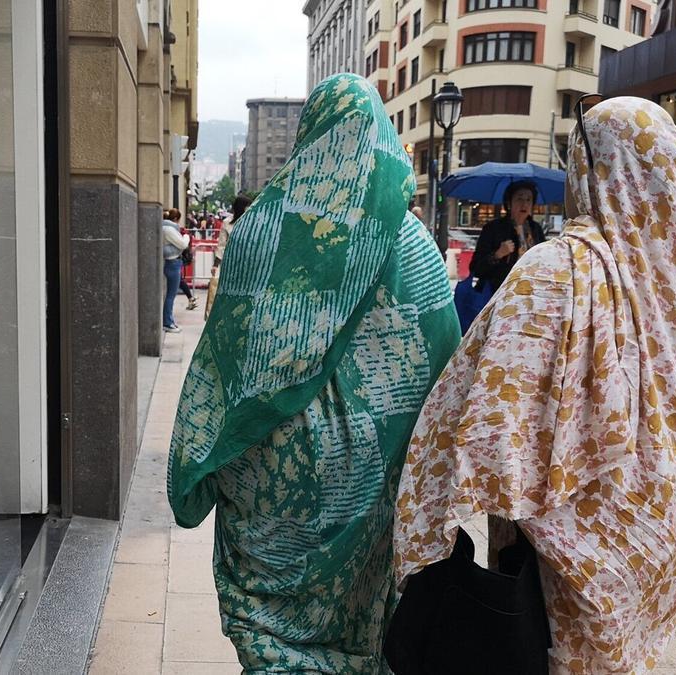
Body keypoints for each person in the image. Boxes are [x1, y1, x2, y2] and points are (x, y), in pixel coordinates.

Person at [394, 96, 676, 672]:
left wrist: (428, 527)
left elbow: (484, 430)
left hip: (565, 569)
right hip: (660, 547)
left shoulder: (559, 270)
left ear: (589, 168)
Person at [167, 73, 461, 672]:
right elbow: (443, 367)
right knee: (360, 630)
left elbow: (227, 368)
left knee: (270, 630)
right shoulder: (415, 246)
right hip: (371, 489)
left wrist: (193, 465)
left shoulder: (262, 232)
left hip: (277, 482)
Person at [469, 180, 546, 292]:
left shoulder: (536, 229)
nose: (524, 204)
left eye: (529, 199)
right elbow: (475, 268)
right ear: (509, 203)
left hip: (529, 292)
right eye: (519, 199)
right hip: (498, 293)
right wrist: (497, 255)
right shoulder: (493, 228)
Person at [206, 194, 253, 318]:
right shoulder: (227, 223)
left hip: (249, 264)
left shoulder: (253, 223)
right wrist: (216, 265)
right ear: (240, 207)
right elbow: (221, 245)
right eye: (247, 206)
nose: (250, 209)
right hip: (231, 264)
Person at [162, 208, 190, 333]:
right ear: (175, 219)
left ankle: (169, 321)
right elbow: (183, 244)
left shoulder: (167, 228)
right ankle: (168, 322)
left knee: (171, 295)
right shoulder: (168, 229)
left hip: (173, 262)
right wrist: (186, 237)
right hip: (173, 262)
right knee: (171, 295)